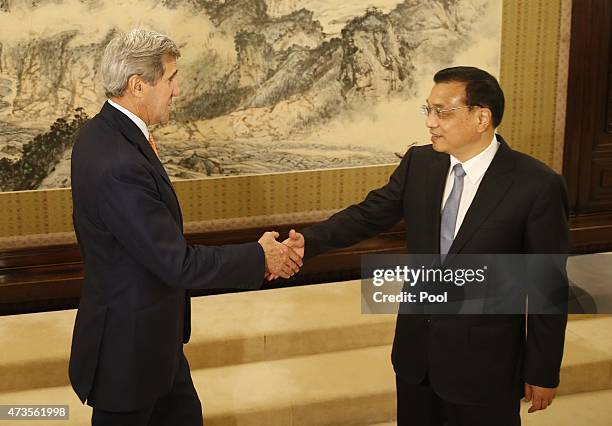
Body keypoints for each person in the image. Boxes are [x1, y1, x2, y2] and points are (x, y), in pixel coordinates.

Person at [279, 66, 569, 426]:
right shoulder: (421, 163)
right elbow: (369, 214)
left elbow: (548, 287)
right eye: (427, 110)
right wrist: (307, 242)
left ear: (482, 117)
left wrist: (543, 370)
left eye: (442, 112)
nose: (430, 122)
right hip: (416, 359)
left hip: (485, 369)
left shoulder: (537, 185)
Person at [69, 29, 302, 426]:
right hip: (128, 355)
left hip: (154, 341)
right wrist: (262, 256)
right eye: (171, 78)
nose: (177, 90)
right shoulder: (118, 162)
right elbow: (175, 262)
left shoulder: (103, 133)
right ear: (138, 85)